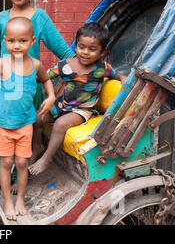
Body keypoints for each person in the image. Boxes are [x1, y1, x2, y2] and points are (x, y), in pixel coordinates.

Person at [0, 0, 74, 191]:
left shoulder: (40, 18)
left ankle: (17, 181)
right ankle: (4, 176)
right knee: (1, 133)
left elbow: (64, 51)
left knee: (24, 138)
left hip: (30, 87)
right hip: (4, 87)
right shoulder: (2, 18)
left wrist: (84, 70)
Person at [0, 17, 56, 220]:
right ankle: (7, 200)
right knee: (6, 163)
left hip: (25, 123)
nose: (17, 46)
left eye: (23, 41)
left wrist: (51, 96)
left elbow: (46, 80)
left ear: (32, 41)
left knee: (22, 163)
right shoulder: (0, 64)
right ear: (5, 41)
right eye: (12, 41)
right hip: (2, 124)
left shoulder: (36, 65)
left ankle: (20, 199)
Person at [28, 22, 126, 176]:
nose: (85, 52)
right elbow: (45, 76)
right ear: (76, 46)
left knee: (60, 124)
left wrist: (122, 77)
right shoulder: (66, 65)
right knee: (35, 118)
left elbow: (116, 74)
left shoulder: (102, 68)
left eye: (92, 49)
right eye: (81, 47)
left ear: (102, 52)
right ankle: (37, 147)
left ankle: (46, 158)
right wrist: (34, 77)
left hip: (82, 110)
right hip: (62, 104)